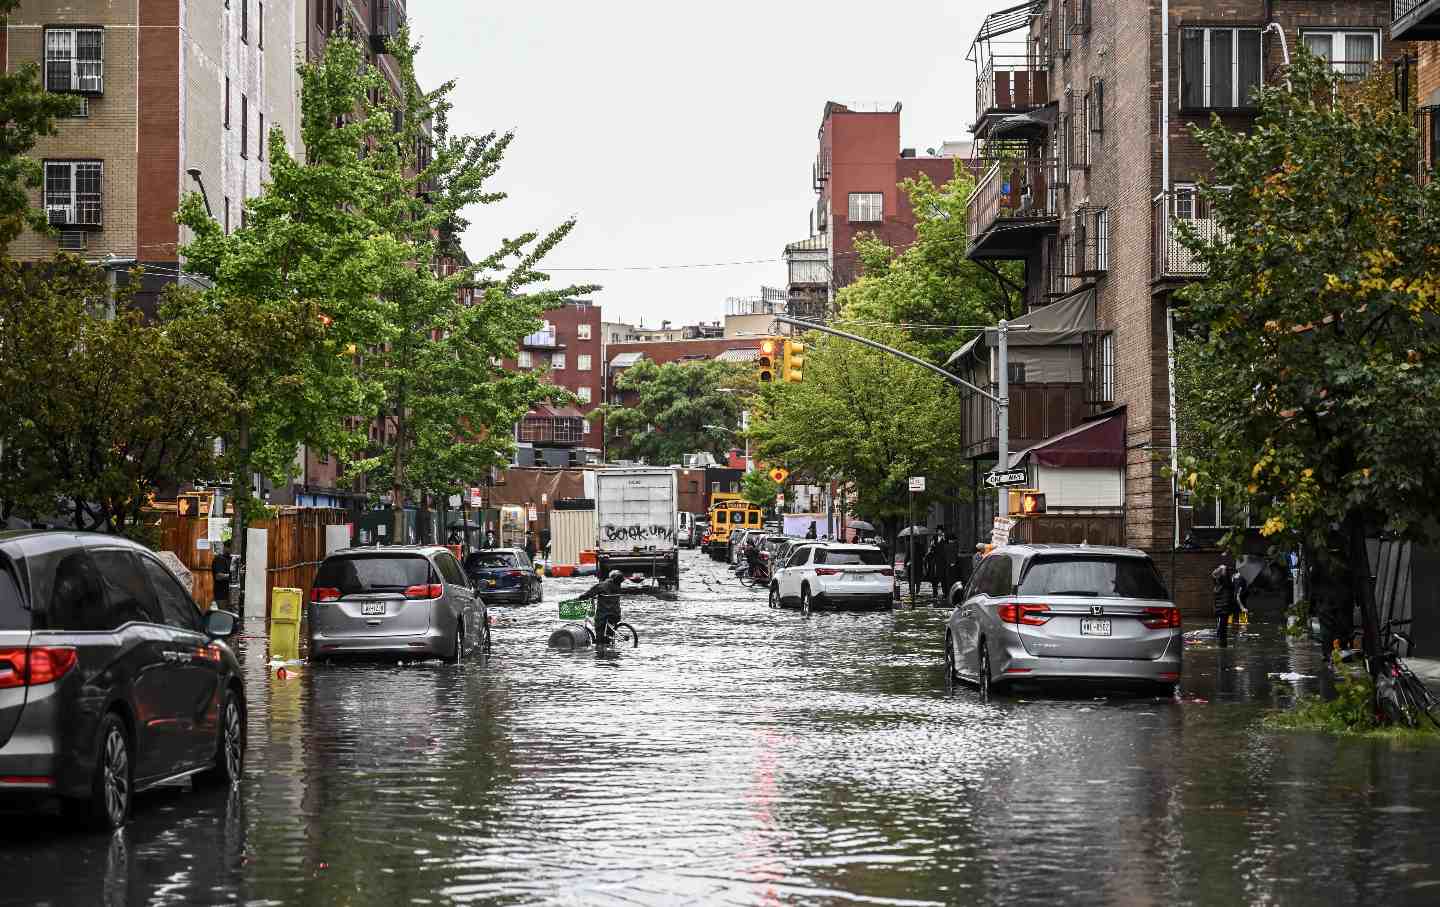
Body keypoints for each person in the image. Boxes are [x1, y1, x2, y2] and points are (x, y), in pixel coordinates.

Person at [579, 569, 624, 644]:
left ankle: (600, 647)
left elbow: (589, 594)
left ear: (610, 577)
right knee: (609, 630)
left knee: (599, 630)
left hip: (603, 615)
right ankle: (608, 643)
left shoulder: (602, 585)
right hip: (616, 614)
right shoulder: (618, 587)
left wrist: (580, 598)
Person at [1213, 562, 1249, 647]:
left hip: (1226, 607)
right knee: (1243, 626)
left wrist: (1222, 568)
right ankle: (1238, 642)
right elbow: (1237, 595)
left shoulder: (1219, 584)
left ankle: (1222, 642)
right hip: (1233, 606)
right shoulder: (1238, 580)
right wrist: (1242, 607)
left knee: (1225, 626)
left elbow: (1214, 574)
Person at [210, 542, 231, 610]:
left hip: (229, 594)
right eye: (230, 547)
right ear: (225, 547)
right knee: (225, 615)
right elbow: (218, 576)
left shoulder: (231, 559)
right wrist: (233, 576)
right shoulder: (219, 559)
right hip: (222, 594)